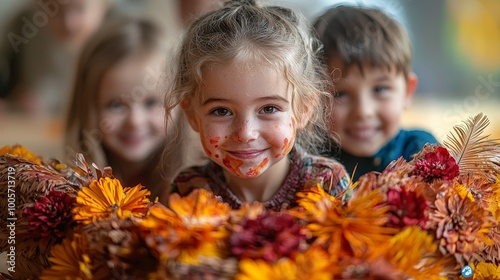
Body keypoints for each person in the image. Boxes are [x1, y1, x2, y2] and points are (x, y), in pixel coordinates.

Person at [163, 0, 350, 210]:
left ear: (304, 109)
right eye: (221, 111)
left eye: (269, 109)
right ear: (191, 114)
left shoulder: (326, 183)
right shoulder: (190, 189)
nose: (245, 133)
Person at [65, 17, 205, 200]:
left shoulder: (203, 187)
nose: (135, 121)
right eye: (116, 105)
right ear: (86, 108)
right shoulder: (68, 189)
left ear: (180, 104)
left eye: (151, 103)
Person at [313, 5, 439, 182]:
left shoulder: (420, 151)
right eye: (340, 94)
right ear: (312, 100)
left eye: (380, 89)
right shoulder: (309, 165)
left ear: (407, 92)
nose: (364, 111)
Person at [0, 0, 112, 116]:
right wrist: (15, 98)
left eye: (80, 9)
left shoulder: (122, 37)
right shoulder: (23, 26)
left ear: (103, 6)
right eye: (55, 10)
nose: (68, 23)